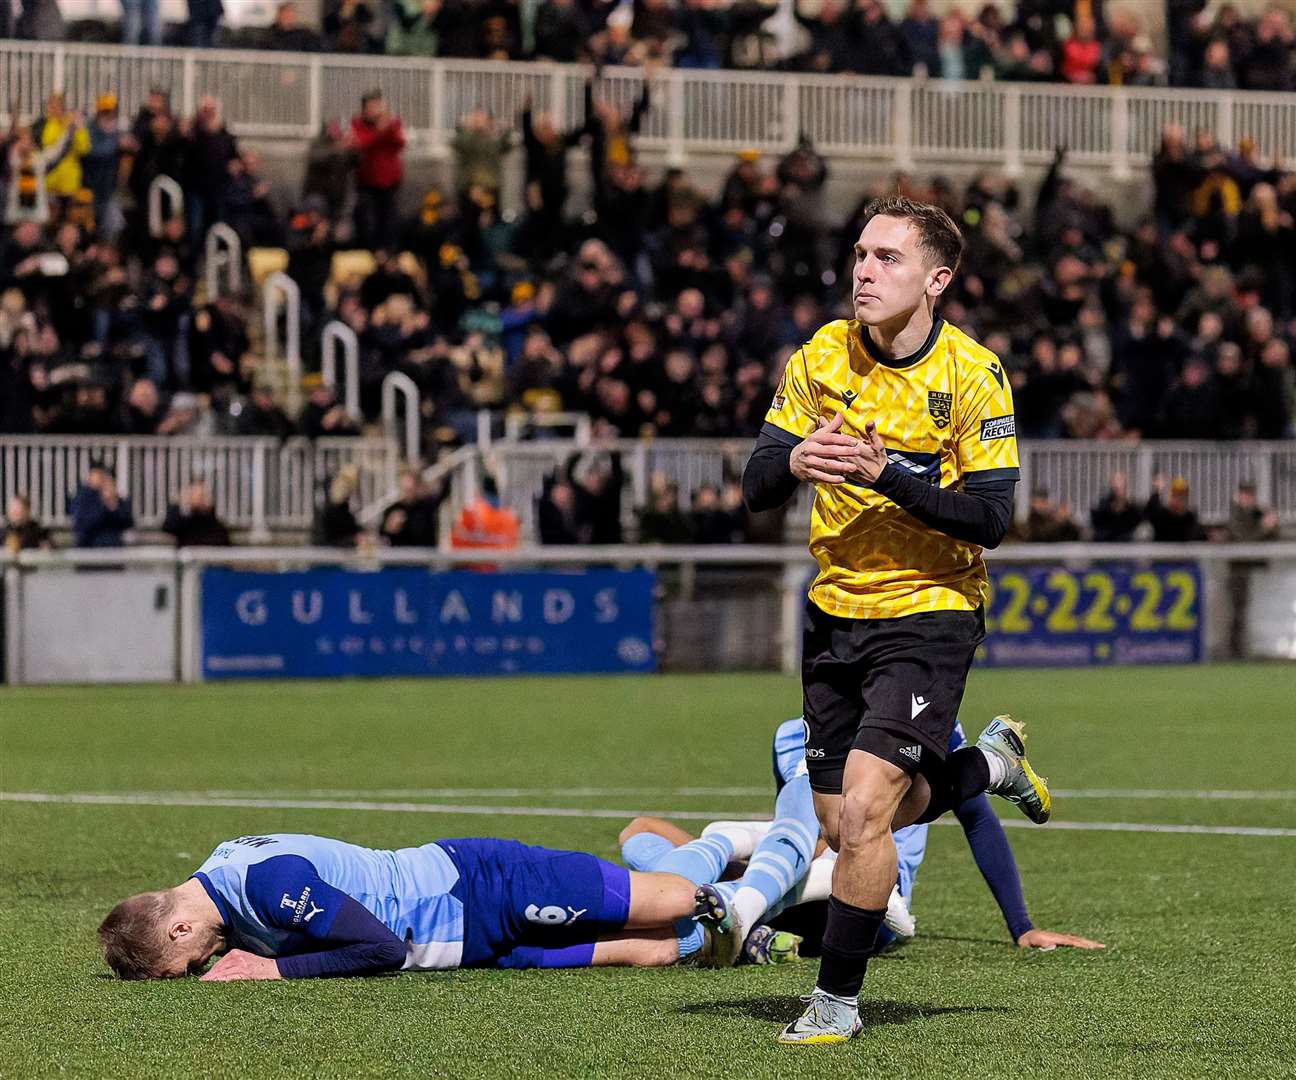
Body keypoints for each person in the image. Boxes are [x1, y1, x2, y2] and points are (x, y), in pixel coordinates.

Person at [741, 195, 1051, 1045]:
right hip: (834, 608)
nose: (864, 271)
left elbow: (990, 519)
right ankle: (987, 766)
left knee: (872, 807)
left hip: (931, 612)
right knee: (845, 826)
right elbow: (756, 479)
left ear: (936, 279)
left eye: (887, 258)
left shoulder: (973, 374)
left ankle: (836, 1002)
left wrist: (889, 479)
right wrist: (794, 458)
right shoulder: (821, 355)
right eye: (860, 255)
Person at [651, 715, 1103, 969]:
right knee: (639, 833)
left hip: (873, 900)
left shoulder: (925, 720)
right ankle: (729, 913)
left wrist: (1021, 925)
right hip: (807, 880)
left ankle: (727, 907)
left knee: (814, 834)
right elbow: (801, 834)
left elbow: (977, 819)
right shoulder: (793, 733)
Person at [97, 829, 802, 981]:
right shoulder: (215, 874)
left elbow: (381, 950)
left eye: (182, 963)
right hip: (478, 940)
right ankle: (757, 928)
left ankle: (746, 848)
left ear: (179, 924)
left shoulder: (266, 883)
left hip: (487, 885)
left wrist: (270, 973)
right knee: (650, 948)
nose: (200, 967)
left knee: (669, 898)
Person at [351, 91, 405, 250]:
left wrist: (387, 129)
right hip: (367, 179)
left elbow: (399, 143)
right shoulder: (358, 124)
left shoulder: (393, 124)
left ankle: (388, 250)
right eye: (371, 106)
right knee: (366, 217)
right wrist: (380, 131)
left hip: (390, 180)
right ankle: (368, 249)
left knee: (389, 218)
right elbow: (362, 143)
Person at [70, 462, 133, 549]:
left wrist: (112, 504)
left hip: (112, 550)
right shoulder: (82, 497)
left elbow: (128, 521)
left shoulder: (113, 497)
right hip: (89, 548)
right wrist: (103, 505)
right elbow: (84, 524)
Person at [379, 470, 446, 548]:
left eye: (410, 490)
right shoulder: (392, 509)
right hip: (400, 557)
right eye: (404, 489)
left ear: (416, 488)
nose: (407, 493)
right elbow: (383, 535)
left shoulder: (426, 507)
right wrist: (389, 528)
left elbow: (443, 490)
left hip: (424, 556)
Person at [161, 477, 231, 547]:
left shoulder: (213, 521)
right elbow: (168, 527)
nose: (198, 497)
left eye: (202, 494)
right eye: (194, 492)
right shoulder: (183, 519)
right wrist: (179, 504)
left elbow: (221, 539)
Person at [1144, 475, 1205, 542]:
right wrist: (1157, 490)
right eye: (1175, 496)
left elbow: (1198, 537)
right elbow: (1149, 511)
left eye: (1182, 497)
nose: (1178, 500)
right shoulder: (1162, 516)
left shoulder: (1190, 518)